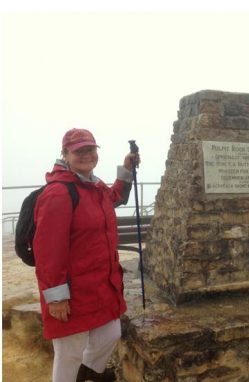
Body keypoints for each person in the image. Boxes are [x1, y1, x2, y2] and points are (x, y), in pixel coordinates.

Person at [33, 128, 139, 381]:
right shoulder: (58, 193)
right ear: (65, 154)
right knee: (69, 352)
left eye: (90, 149)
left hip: (99, 285)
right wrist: (56, 297)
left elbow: (114, 197)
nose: (87, 155)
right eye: (79, 151)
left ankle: (89, 371)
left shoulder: (94, 186)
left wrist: (126, 168)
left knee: (110, 333)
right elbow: (48, 251)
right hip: (71, 289)